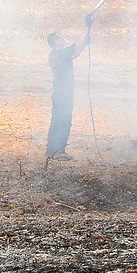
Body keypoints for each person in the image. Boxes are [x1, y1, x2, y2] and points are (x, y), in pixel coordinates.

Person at [45, 13, 93, 162]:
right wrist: (88, 26)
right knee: (63, 120)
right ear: (55, 43)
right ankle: (58, 151)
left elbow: (77, 50)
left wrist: (87, 34)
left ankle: (53, 150)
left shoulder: (55, 55)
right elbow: (77, 46)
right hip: (63, 94)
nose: (62, 39)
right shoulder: (61, 53)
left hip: (61, 93)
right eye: (59, 38)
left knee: (59, 120)